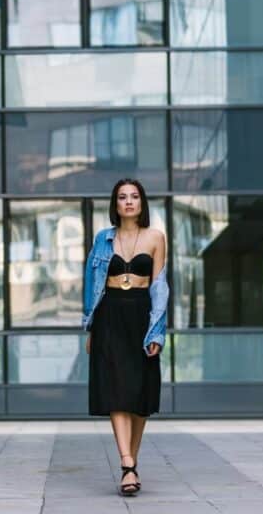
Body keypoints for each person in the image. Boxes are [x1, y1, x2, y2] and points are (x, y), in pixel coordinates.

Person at [83, 178, 168, 497]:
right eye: (122, 197)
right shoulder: (103, 239)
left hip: (143, 316)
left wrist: (157, 330)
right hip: (110, 315)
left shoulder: (156, 237)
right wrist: (90, 326)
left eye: (134, 196)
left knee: (141, 396)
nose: (129, 202)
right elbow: (90, 283)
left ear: (142, 202)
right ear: (115, 204)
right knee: (117, 389)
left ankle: (131, 461)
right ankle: (127, 464)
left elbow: (161, 287)